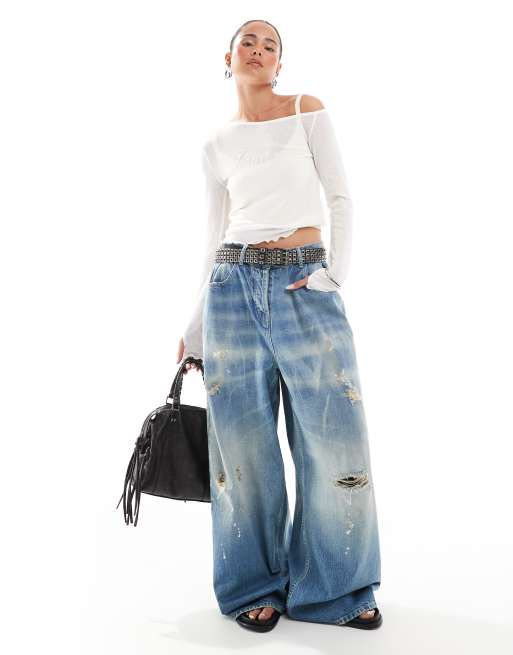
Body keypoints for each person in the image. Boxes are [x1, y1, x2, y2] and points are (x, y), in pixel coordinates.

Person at [177, 19, 382, 633]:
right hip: (231, 289)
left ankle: (337, 589)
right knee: (241, 447)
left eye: (271, 46)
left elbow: (340, 197)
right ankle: (253, 586)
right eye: (249, 42)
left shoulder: (304, 111)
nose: (259, 50)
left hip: (302, 281)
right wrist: (195, 326)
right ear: (228, 57)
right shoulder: (217, 143)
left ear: (279, 65)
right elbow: (213, 235)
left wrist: (334, 275)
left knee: (334, 437)